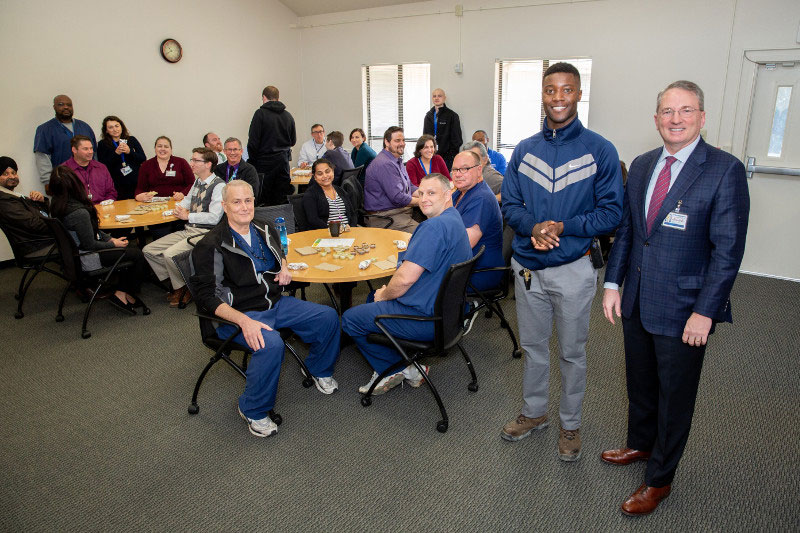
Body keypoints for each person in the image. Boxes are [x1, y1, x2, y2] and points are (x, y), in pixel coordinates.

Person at [600, 80, 750, 516]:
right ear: (656, 119)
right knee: (641, 384)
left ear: (702, 117)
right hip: (638, 299)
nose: (676, 119)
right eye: (667, 111)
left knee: (674, 396)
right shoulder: (644, 165)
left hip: (686, 309)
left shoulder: (724, 169)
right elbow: (630, 231)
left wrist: (706, 312)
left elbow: (728, 252)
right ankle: (641, 446)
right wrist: (613, 283)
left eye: (686, 111)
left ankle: (659, 479)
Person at [500, 62, 623, 462]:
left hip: (574, 269)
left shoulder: (600, 150)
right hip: (528, 270)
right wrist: (534, 226)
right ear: (543, 94)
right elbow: (510, 207)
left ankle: (570, 424)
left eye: (566, 90)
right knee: (534, 347)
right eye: (550, 90)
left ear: (578, 93)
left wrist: (562, 226)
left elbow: (611, 214)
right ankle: (534, 413)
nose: (558, 97)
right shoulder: (524, 150)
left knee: (572, 352)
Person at [191, 180, 341, 438]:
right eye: (236, 202)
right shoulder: (211, 245)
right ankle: (252, 408)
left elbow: (279, 252)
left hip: (274, 302)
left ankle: (319, 369)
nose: (244, 207)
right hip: (238, 313)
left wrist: (283, 266)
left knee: (327, 317)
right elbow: (208, 298)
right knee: (270, 344)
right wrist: (244, 321)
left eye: (248, 201)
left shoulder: (263, 227)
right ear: (224, 206)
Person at [342, 173, 471, 394]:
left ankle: (395, 368)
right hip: (450, 315)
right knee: (370, 298)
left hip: (425, 319)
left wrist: (384, 294)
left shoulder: (432, 228)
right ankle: (406, 362)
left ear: (448, 194)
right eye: (421, 193)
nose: (424, 198)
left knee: (350, 319)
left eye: (431, 193)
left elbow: (404, 279)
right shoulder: (455, 220)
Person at [48, 166, 147, 313]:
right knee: (137, 254)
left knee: (127, 250)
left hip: (74, 257)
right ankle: (121, 293)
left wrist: (111, 239)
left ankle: (125, 290)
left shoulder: (57, 205)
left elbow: (92, 232)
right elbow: (90, 244)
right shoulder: (79, 213)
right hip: (88, 257)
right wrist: (112, 244)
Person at [143, 147, 225, 307]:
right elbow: (186, 201)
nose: (191, 163)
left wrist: (188, 216)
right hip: (189, 229)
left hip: (206, 233)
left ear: (208, 164)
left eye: (195, 160)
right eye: (192, 159)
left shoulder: (219, 186)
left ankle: (183, 288)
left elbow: (215, 218)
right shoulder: (198, 182)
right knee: (149, 250)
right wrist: (171, 210)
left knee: (169, 255)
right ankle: (182, 282)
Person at [451, 151, 503, 292]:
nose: (458, 174)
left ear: (479, 170)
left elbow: (465, 243)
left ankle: (462, 309)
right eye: (455, 169)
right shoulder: (459, 193)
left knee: (424, 278)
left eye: (465, 169)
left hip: (479, 270)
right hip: (463, 264)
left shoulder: (481, 198)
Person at [246, 85, 296, 206]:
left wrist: (252, 163)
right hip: (283, 164)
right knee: (282, 199)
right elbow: (293, 141)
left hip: (264, 165)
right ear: (278, 98)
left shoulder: (260, 114)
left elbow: (253, 142)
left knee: (264, 201)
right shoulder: (288, 116)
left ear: (264, 97)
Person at [363, 126, 419, 232]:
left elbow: (409, 187)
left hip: (399, 212)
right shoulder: (385, 164)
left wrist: (425, 193)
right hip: (386, 217)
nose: (402, 143)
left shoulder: (396, 159)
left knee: (432, 223)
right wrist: (422, 201)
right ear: (387, 142)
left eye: (403, 140)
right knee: (424, 234)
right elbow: (398, 197)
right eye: (397, 140)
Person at [33, 95, 97, 186]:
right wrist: (48, 182)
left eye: (69, 105)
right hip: (62, 181)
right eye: (61, 104)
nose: (66, 107)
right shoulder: (45, 129)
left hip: (89, 180)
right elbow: (42, 157)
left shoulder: (84, 127)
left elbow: (94, 154)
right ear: (54, 107)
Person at [0, 156, 53, 257]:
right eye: (5, 174)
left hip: (40, 241)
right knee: (77, 240)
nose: (11, 176)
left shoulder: (13, 196)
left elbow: (41, 215)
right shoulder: (4, 201)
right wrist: (59, 225)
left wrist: (41, 201)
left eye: (13, 172)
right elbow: (33, 224)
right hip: (36, 246)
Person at [96, 116, 146, 200]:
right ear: (106, 130)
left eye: (117, 126)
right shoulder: (102, 144)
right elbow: (103, 165)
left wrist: (130, 152)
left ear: (121, 127)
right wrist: (116, 153)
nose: (115, 129)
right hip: (116, 183)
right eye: (111, 127)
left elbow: (142, 158)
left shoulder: (131, 140)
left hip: (135, 180)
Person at [302, 158, 357, 230]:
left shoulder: (340, 190)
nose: (325, 176)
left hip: (348, 232)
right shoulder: (310, 194)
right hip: (326, 235)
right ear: (314, 177)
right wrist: (333, 230)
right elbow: (313, 220)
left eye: (327, 172)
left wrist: (352, 228)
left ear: (333, 172)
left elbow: (352, 214)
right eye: (320, 173)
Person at [135, 136, 194, 202]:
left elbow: (192, 184)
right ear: (155, 148)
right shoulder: (146, 165)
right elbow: (140, 189)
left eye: (166, 147)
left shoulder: (181, 162)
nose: (163, 149)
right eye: (159, 146)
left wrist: (183, 194)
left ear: (171, 149)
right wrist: (139, 196)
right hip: (153, 204)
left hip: (178, 202)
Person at [63, 136, 117, 204]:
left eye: (91, 148)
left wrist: (108, 202)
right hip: (78, 211)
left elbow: (111, 192)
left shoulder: (101, 167)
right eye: (85, 149)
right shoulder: (64, 171)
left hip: (103, 208)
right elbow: (63, 199)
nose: (90, 152)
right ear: (74, 150)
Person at [423, 88, 462, 169]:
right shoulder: (428, 116)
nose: (436, 98)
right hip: (431, 157)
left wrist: (451, 156)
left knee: (446, 180)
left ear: (444, 98)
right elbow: (425, 137)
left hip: (447, 159)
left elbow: (457, 139)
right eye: (434, 96)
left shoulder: (452, 115)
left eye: (439, 96)